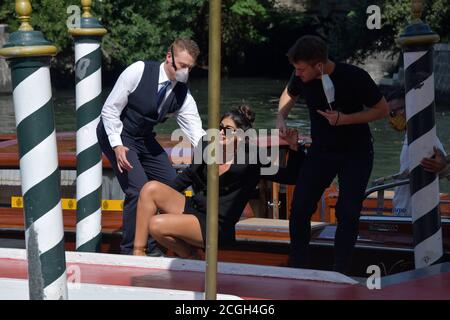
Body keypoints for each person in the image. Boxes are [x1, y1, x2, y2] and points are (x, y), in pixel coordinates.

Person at [276, 35, 389, 274]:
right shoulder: (301, 77)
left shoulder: (354, 76)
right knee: (300, 208)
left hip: (356, 151)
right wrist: (281, 117)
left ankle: (341, 270)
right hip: (322, 150)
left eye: (301, 69)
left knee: (347, 211)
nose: (297, 74)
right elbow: (289, 92)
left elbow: (382, 110)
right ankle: (298, 267)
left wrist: (345, 119)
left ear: (319, 65)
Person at [132, 106, 303, 257]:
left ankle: (190, 257)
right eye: (220, 128)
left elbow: (290, 177)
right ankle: (138, 254)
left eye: (228, 129)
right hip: (195, 208)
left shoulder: (253, 158)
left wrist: (295, 149)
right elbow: (188, 176)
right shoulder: (208, 145)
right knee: (150, 188)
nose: (221, 132)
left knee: (156, 225)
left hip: (217, 224)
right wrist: (162, 199)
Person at [97, 38, 206, 255]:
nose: (185, 72)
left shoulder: (183, 95)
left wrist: (217, 153)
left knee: (171, 184)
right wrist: (117, 146)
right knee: (137, 190)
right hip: (119, 133)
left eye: (190, 68)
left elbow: (197, 133)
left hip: (145, 138)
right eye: (182, 65)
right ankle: (131, 251)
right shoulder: (138, 70)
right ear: (169, 57)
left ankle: (159, 243)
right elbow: (109, 110)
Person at [387, 89, 446, 216]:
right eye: (391, 114)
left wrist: (442, 166)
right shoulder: (410, 136)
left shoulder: (424, 137)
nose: (392, 117)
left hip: (414, 212)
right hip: (402, 208)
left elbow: (443, 163)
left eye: (393, 112)